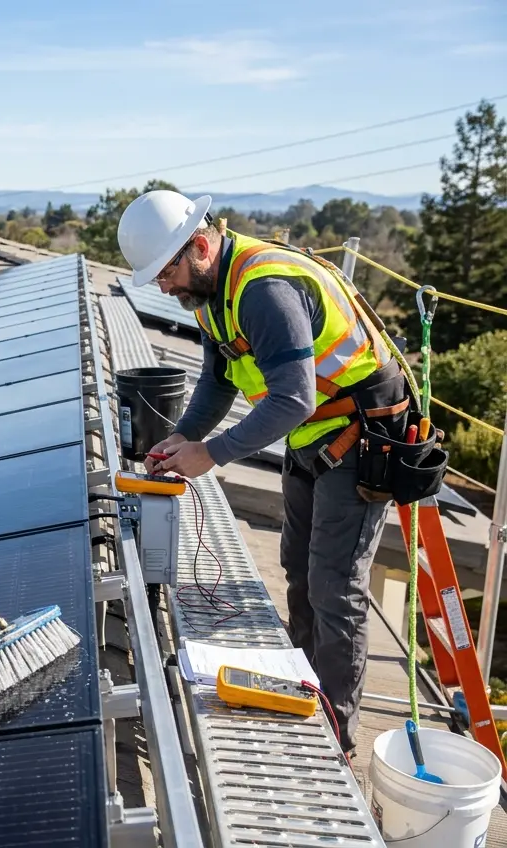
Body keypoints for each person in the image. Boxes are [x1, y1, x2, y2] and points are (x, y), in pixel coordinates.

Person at [117, 189, 409, 756]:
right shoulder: (210, 292)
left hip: (359, 433)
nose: (163, 287)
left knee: (334, 586)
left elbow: (294, 399)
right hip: (312, 436)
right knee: (298, 571)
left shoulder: (263, 290)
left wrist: (213, 454)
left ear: (199, 246)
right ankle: (303, 690)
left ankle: (337, 737)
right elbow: (219, 379)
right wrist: (186, 435)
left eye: (166, 273)